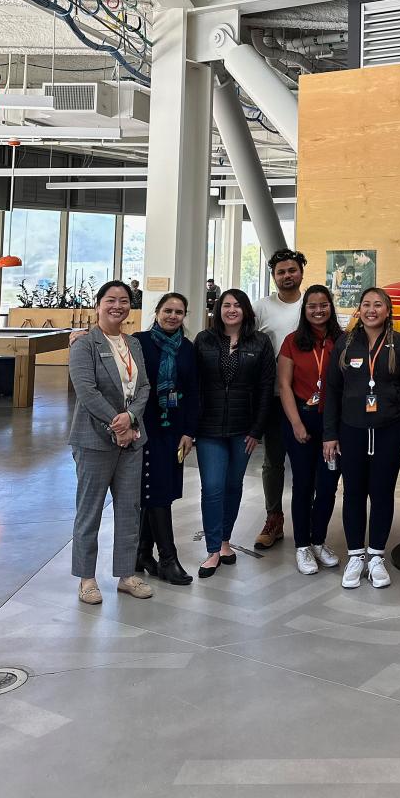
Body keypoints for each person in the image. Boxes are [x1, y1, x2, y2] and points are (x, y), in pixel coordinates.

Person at [322, 288, 400, 590]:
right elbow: (333, 392)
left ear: (388, 311)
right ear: (359, 310)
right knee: (352, 493)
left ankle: (376, 555)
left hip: (389, 432)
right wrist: (330, 434)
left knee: (382, 494)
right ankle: (355, 555)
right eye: (366, 304)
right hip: (351, 431)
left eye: (378, 305)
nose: (372, 310)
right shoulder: (345, 343)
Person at [69, 280, 152, 605]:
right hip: (94, 441)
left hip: (132, 439)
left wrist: (130, 419)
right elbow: (86, 391)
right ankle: (87, 579)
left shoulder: (133, 343)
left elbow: (143, 386)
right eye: (110, 300)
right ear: (98, 304)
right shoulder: (84, 343)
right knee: (89, 512)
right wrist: (117, 423)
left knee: (129, 510)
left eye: (123, 300)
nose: (117, 306)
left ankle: (126, 575)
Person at [194, 289, 276, 577]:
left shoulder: (260, 342)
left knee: (233, 487)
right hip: (208, 428)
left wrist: (257, 429)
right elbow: (193, 383)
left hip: (244, 430)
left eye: (237, 305)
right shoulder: (204, 339)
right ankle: (213, 549)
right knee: (213, 488)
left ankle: (226, 541)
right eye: (226, 305)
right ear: (218, 310)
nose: (231, 310)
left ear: (246, 311)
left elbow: (267, 388)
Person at [133, 292, 199, 586]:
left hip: (174, 431)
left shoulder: (187, 348)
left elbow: (195, 392)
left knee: (161, 490)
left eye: (179, 312)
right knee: (155, 491)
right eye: (168, 310)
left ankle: (142, 553)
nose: (173, 316)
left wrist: (189, 432)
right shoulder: (139, 342)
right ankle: (168, 559)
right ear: (157, 312)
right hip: (145, 428)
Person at [278, 284, 343, 576]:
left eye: (323, 305)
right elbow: (284, 386)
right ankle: (302, 545)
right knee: (303, 485)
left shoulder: (343, 341)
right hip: (302, 419)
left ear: (330, 306)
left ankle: (319, 540)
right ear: (304, 311)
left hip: (334, 425)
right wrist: (296, 424)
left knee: (328, 486)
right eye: (312, 306)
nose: (318, 310)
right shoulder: (292, 341)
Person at [252, 248, 307, 549]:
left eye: (292, 270)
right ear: (274, 276)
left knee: (305, 461)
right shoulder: (261, 307)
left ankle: (307, 519)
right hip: (273, 398)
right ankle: (274, 518)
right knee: (273, 462)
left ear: (301, 272)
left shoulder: (312, 305)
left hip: (308, 399)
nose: (287, 276)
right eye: (281, 272)